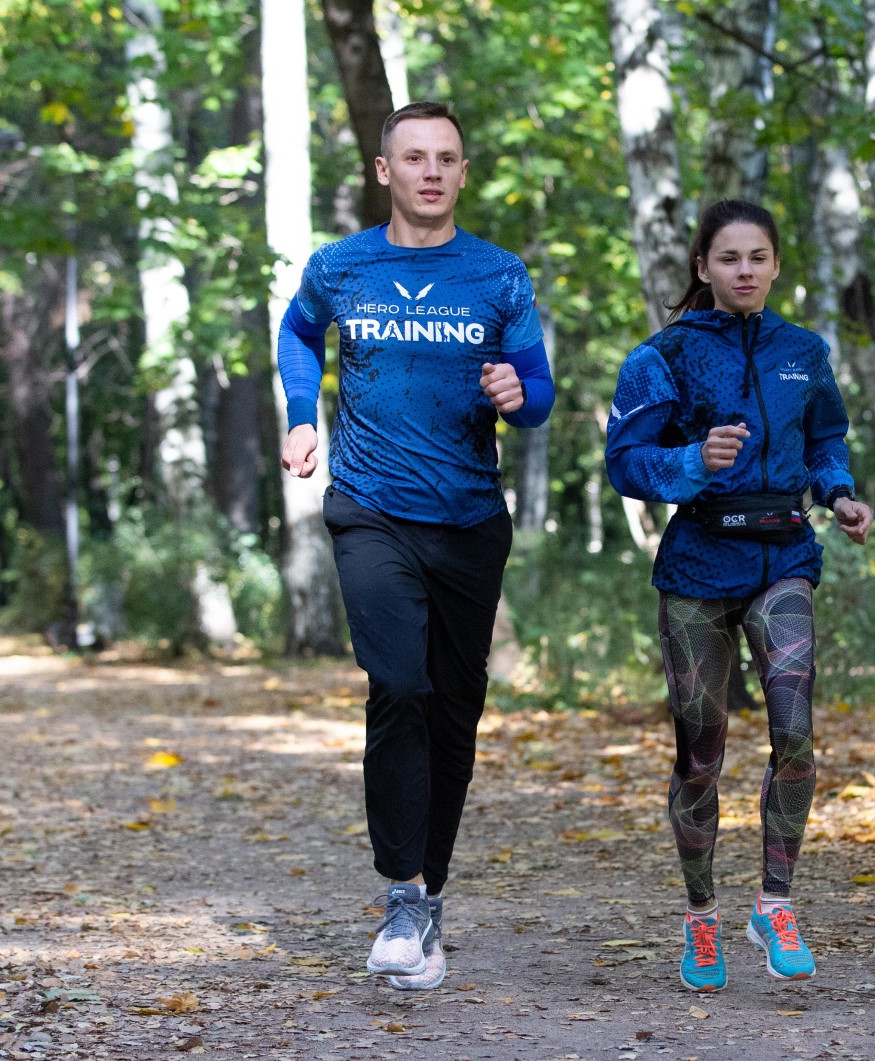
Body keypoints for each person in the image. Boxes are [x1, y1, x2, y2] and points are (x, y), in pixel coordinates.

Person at [275, 101, 555, 991]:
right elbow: (295, 332)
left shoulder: (498, 275)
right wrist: (299, 413)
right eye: (414, 157)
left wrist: (520, 390)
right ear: (382, 169)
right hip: (370, 508)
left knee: (452, 712)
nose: (430, 171)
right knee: (397, 683)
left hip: (470, 520)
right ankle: (401, 897)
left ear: (461, 173)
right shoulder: (341, 266)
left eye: (446, 158)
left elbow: (539, 388)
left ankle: (425, 898)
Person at [604, 200, 875, 992]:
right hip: (696, 564)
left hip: (782, 553)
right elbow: (625, 463)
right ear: (702, 267)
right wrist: (693, 459)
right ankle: (700, 918)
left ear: (775, 264)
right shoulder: (662, 358)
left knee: (793, 728)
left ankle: (775, 902)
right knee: (700, 751)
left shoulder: (803, 351)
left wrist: (840, 493)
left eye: (758, 256)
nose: (745, 270)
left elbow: (826, 439)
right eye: (729, 258)